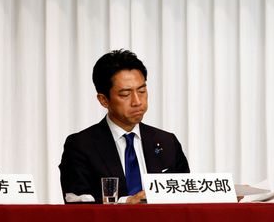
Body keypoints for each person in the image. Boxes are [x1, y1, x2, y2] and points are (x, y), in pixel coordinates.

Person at [59, 49, 189, 203]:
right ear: (103, 100)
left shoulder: (167, 142)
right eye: (125, 94)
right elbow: (77, 202)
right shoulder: (81, 146)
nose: (137, 101)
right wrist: (126, 203)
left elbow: (186, 196)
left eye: (141, 91)